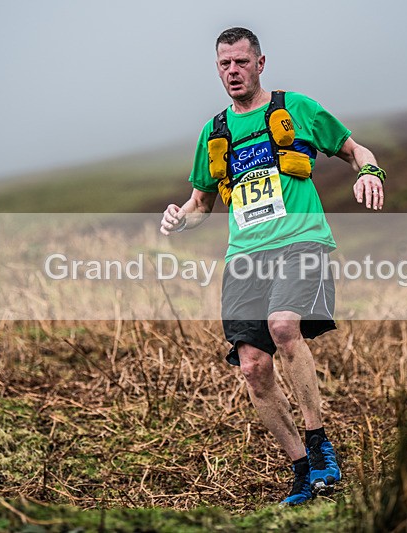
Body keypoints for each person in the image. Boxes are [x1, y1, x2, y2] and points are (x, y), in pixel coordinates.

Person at [160, 27, 386, 506]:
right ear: (217, 68)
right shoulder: (214, 132)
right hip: (244, 258)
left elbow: (354, 150)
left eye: (241, 62)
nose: (233, 71)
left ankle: (320, 443)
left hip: (300, 241)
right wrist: (180, 219)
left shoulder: (296, 108)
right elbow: (201, 203)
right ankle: (303, 470)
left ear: (261, 63)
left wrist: (368, 172)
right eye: (224, 64)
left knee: (284, 327)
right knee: (253, 368)